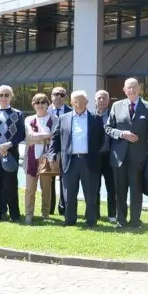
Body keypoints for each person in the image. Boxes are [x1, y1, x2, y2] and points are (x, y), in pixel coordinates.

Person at [105, 78, 148, 228]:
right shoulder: (116, 106)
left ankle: (135, 221)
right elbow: (108, 128)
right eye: (129, 88)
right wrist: (122, 134)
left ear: (139, 88)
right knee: (120, 191)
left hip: (138, 157)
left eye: (134, 87)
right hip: (119, 157)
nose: (132, 90)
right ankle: (121, 220)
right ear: (124, 90)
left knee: (136, 190)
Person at [49, 91, 104, 227]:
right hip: (70, 161)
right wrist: (52, 154)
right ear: (72, 102)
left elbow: (102, 140)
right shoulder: (63, 118)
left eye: (81, 101)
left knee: (90, 194)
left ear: (86, 103)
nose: (78, 104)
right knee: (69, 194)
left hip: (89, 161)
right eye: (75, 101)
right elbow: (55, 138)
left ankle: (91, 220)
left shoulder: (95, 119)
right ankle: (70, 220)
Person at [0, 86, 26, 222]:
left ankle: (14, 214)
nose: (3, 97)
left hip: (11, 152)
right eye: (1, 95)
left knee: (11, 184)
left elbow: (21, 133)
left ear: (11, 97)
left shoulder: (17, 114)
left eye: (7, 95)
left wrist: (8, 144)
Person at [24, 93, 55, 224]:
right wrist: (46, 136)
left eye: (43, 102)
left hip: (46, 158)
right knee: (30, 189)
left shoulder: (54, 119)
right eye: (37, 102)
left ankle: (45, 214)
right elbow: (29, 136)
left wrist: (37, 137)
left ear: (48, 104)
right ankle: (28, 215)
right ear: (33, 105)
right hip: (31, 157)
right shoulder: (29, 119)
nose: (40, 105)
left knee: (46, 188)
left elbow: (54, 136)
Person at [48, 86, 72, 216]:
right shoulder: (44, 110)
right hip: (48, 151)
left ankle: (63, 208)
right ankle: (50, 209)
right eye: (56, 94)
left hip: (65, 152)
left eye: (62, 95)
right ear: (51, 96)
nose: (58, 97)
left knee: (64, 180)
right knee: (49, 179)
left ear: (65, 97)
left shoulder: (71, 112)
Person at [94, 90, 116, 222]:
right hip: (95, 157)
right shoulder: (90, 116)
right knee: (94, 187)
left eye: (104, 98)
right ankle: (94, 214)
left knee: (111, 187)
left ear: (108, 101)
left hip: (110, 156)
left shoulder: (114, 116)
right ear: (95, 100)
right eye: (99, 98)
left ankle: (112, 215)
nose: (101, 100)